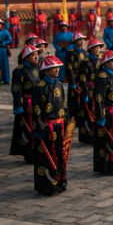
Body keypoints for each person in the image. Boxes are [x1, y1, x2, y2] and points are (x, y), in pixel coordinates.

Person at [31, 55, 68, 196]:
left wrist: (66, 119)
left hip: (59, 126)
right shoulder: (40, 87)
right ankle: (47, 185)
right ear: (46, 70)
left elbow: (63, 104)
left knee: (59, 154)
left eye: (58, 68)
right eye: (53, 68)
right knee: (47, 157)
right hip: (47, 127)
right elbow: (37, 110)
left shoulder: (58, 84)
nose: (57, 70)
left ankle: (60, 181)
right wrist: (39, 127)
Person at [10, 45, 41, 163]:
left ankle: (37, 150)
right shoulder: (19, 71)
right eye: (33, 55)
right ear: (26, 57)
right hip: (26, 103)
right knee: (27, 129)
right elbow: (16, 89)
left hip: (37, 102)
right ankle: (29, 153)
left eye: (37, 55)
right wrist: (18, 105)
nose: (36, 57)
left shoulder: (38, 68)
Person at [77, 38, 104, 144]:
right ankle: (87, 136)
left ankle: (96, 133)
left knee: (97, 111)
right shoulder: (85, 62)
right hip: (88, 90)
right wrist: (84, 92)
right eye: (95, 48)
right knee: (87, 113)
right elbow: (83, 79)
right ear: (90, 49)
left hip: (97, 90)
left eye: (98, 48)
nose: (97, 50)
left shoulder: (100, 61)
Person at [65, 33, 87, 135]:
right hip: (74, 79)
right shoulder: (71, 52)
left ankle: (80, 118)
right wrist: (72, 82)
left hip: (82, 80)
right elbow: (69, 68)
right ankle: (73, 119)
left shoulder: (84, 52)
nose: (82, 42)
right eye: (79, 40)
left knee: (82, 100)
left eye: (83, 40)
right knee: (73, 101)